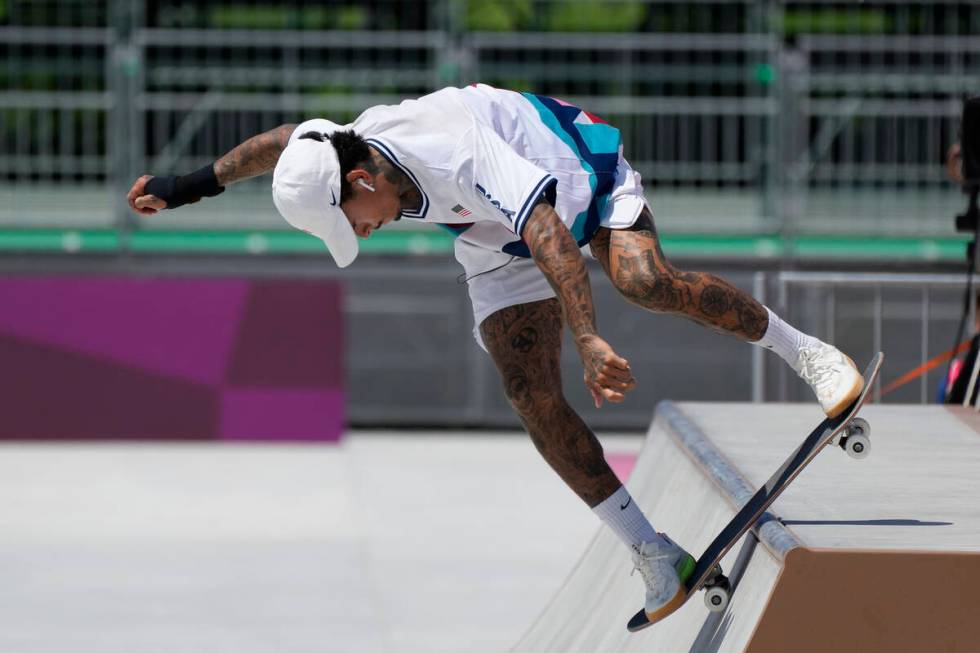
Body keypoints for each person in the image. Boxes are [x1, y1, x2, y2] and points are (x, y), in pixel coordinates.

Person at [127, 84, 864, 625]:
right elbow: (277, 142)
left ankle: (811, 355)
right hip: (491, 233)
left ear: (363, 180)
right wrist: (182, 187)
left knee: (643, 280)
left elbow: (548, 231)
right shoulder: (335, 144)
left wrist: (587, 335)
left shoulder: (452, 153)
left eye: (356, 221)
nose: (365, 230)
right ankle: (653, 554)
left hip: (573, 177)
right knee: (528, 392)